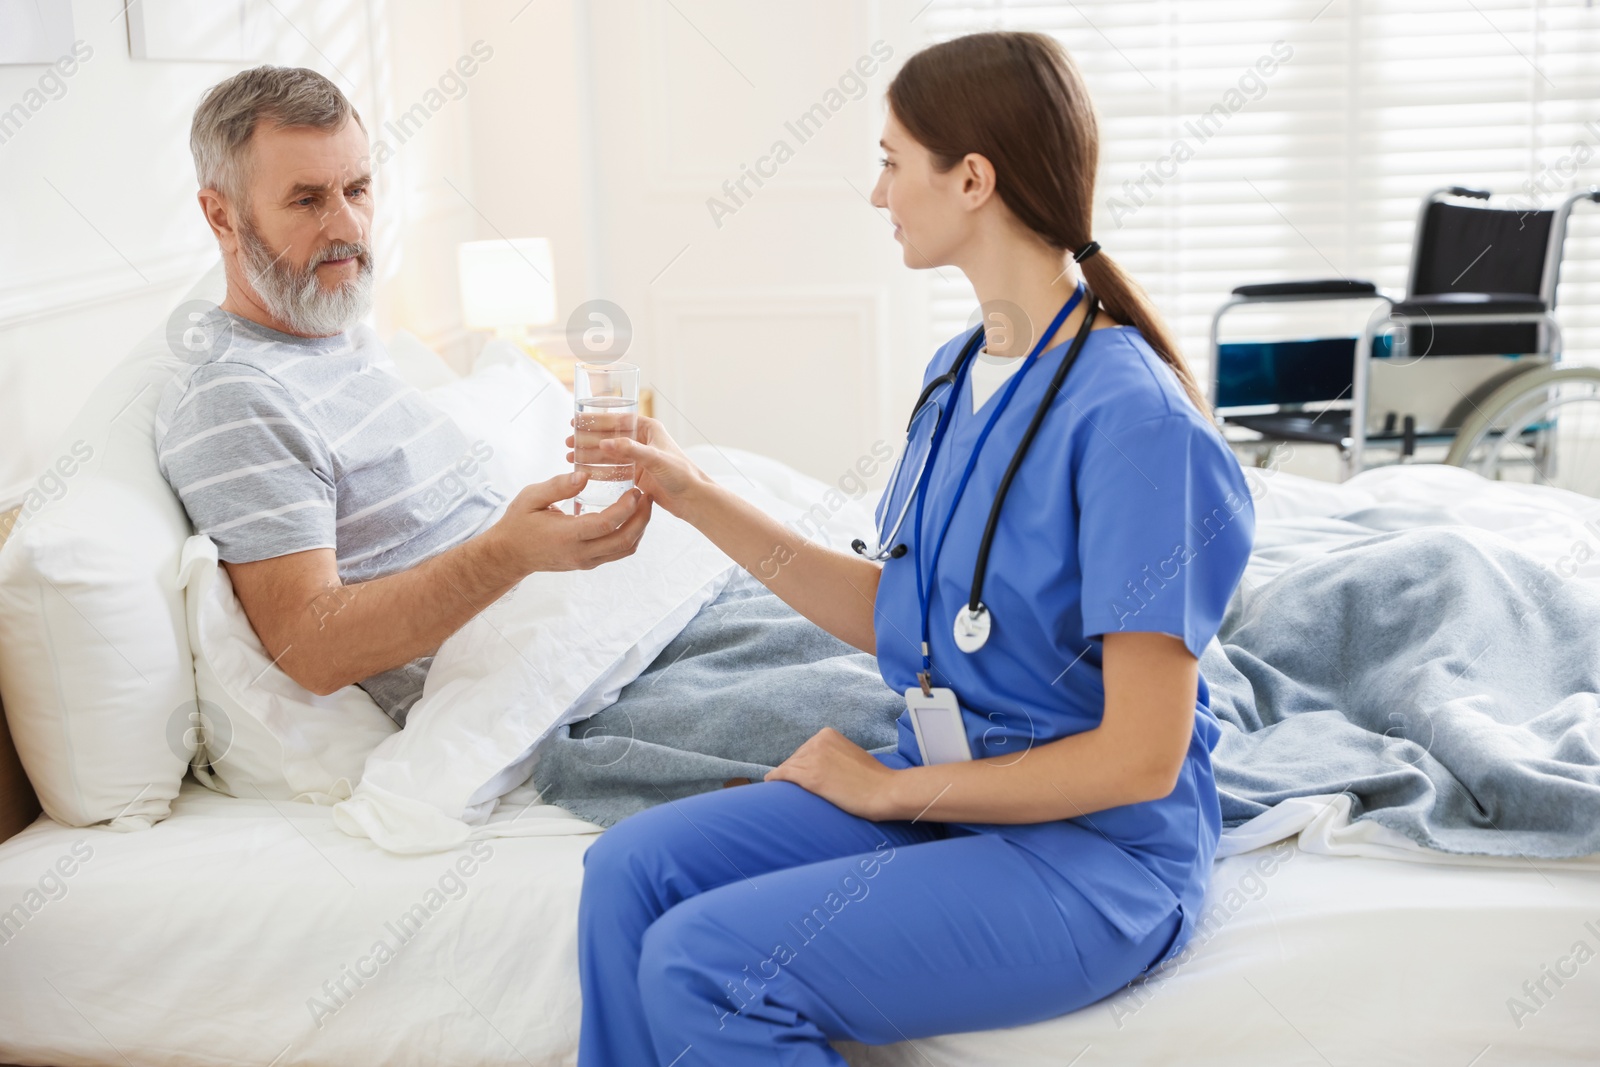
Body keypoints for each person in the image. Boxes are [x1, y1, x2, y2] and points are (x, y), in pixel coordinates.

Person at [572, 31, 1255, 1065]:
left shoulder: (1136, 424)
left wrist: (892, 790)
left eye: (892, 161)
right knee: (627, 871)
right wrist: (688, 488)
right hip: (960, 789)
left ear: (971, 178)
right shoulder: (955, 373)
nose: (877, 192)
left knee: (708, 961)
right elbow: (900, 611)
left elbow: (1140, 755)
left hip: (1095, 854)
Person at [156, 66, 653, 726]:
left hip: (585, 629)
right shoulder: (235, 398)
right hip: (543, 691)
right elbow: (315, 645)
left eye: (357, 189)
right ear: (222, 215)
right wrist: (510, 553)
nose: (349, 226)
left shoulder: (337, 334)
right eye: (306, 201)